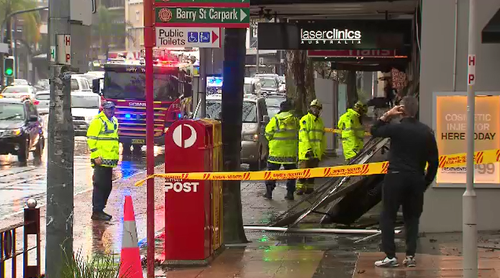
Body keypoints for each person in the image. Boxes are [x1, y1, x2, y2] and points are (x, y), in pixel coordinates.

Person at [370, 96, 439, 268]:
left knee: (388, 216)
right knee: (412, 218)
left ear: (401, 110)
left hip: (395, 176)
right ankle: (410, 256)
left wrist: (387, 115)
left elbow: (374, 130)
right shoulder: (427, 132)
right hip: (416, 178)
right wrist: (426, 182)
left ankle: (390, 256)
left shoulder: (397, 128)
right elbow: (434, 161)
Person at [87, 101, 120, 221]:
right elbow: (91, 138)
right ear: (104, 109)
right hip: (100, 160)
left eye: (112, 109)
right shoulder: (98, 121)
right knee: (100, 186)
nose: (111, 111)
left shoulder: (114, 120)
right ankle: (97, 211)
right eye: (108, 109)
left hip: (109, 160)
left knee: (107, 186)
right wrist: (95, 155)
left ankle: (100, 209)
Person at [264, 100, 299, 200]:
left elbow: (268, 134)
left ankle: (269, 192)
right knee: (291, 174)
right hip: (290, 153)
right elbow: (299, 133)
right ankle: (290, 193)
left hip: (276, 153)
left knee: (272, 173)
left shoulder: (275, 120)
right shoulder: (295, 120)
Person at [297, 99, 326, 195]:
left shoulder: (320, 122)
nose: (316, 110)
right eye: (314, 107)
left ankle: (309, 189)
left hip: (316, 152)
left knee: (312, 173)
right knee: (303, 171)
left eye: (318, 108)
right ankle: (300, 189)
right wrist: (308, 149)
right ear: (310, 108)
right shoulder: (305, 119)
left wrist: (322, 151)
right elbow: (303, 136)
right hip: (306, 151)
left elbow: (322, 138)